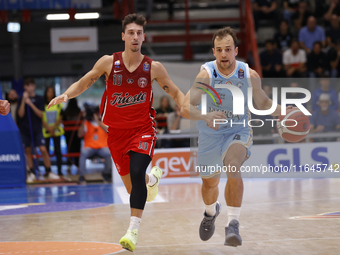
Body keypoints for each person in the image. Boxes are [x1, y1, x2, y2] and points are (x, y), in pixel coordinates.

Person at [47, 13, 184, 252]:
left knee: (138, 168)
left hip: (143, 129)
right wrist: (66, 95)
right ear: (123, 36)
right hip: (116, 134)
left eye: (139, 33)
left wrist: (189, 106)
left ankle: (132, 230)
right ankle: (153, 180)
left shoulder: (153, 68)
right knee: (134, 188)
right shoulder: (109, 63)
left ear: (144, 37)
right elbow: (84, 81)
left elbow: (175, 92)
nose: (135, 37)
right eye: (131, 32)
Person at [180, 27, 284, 247]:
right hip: (210, 135)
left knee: (233, 165)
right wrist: (205, 115)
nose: (224, 54)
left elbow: (263, 103)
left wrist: (283, 111)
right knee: (209, 184)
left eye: (228, 49)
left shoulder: (248, 74)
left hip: (238, 130)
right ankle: (210, 212)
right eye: (219, 50)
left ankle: (233, 223)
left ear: (236, 50)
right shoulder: (206, 75)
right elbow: (184, 107)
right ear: (214, 52)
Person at [17, 78, 60, 182]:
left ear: (34, 86)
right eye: (27, 86)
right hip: (25, 130)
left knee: (43, 149)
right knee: (27, 150)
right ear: (24, 87)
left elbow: (40, 114)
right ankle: (31, 172)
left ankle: (48, 171)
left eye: (31, 85)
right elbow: (20, 114)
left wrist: (30, 104)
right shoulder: (21, 99)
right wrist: (24, 100)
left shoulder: (39, 99)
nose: (29, 88)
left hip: (37, 129)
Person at [77, 105, 112, 184]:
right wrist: (84, 119)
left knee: (108, 153)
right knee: (83, 153)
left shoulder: (104, 123)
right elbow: (79, 135)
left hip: (102, 147)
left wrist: (98, 121)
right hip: (89, 147)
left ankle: (106, 174)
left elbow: (109, 131)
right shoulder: (86, 123)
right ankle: (82, 176)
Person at [42, 86, 65, 177]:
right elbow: (41, 117)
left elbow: (61, 116)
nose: (50, 93)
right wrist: (48, 128)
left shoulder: (58, 104)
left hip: (56, 131)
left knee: (58, 151)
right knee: (45, 151)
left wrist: (53, 128)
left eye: (52, 92)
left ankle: (59, 171)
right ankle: (48, 170)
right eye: (48, 91)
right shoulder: (42, 105)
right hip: (46, 131)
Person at [63, 98, 82, 172]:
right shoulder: (78, 111)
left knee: (69, 148)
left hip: (68, 134)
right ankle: (77, 165)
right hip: (76, 134)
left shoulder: (66, 111)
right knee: (77, 148)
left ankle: (69, 165)